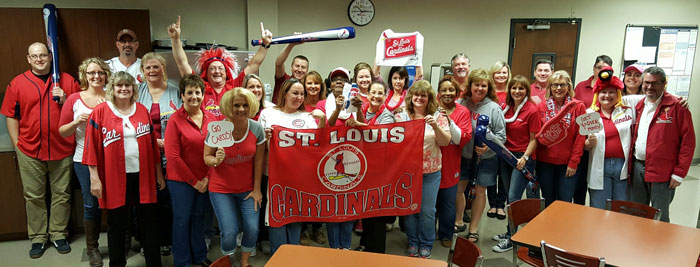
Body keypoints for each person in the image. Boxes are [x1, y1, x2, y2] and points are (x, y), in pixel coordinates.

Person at [1, 42, 79, 258]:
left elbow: (81, 111)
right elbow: (11, 116)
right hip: (29, 149)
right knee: (33, 196)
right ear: (28, 59)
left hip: (62, 148)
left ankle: (58, 234)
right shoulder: (17, 83)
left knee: (61, 195)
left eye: (43, 55)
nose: (39, 59)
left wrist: (65, 100)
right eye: (34, 56)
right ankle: (38, 238)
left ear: (50, 57)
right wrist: (18, 145)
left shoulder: (68, 81)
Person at [83, 71, 166, 267]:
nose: (123, 89)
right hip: (114, 178)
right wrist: (94, 178)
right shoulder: (101, 111)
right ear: (112, 89)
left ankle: (154, 264)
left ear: (133, 89)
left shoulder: (142, 110)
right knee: (117, 225)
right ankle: (117, 263)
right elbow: (91, 147)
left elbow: (152, 146)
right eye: (119, 86)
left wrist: (158, 172)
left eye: (127, 86)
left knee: (149, 224)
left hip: (143, 176)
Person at [258, 78, 326, 255]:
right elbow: (259, 147)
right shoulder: (268, 114)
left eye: (302, 94)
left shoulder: (308, 117)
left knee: (295, 216)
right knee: (276, 216)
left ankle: (293, 255)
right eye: (295, 93)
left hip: (299, 178)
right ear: (285, 94)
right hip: (273, 176)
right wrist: (267, 138)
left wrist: (323, 122)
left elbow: (318, 146)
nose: (299, 97)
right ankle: (278, 256)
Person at [203, 88, 265, 267]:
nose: (241, 109)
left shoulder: (256, 129)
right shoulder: (218, 129)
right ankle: (228, 261)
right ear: (228, 106)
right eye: (236, 105)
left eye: (245, 105)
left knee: (252, 227)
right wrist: (216, 160)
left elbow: (258, 162)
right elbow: (207, 158)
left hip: (247, 189)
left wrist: (257, 190)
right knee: (229, 231)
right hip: (221, 189)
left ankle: (245, 262)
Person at [168, 15, 272, 120]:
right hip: (205, 134)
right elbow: (182, 64)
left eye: (221, 68)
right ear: (206, 73)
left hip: (232, 134)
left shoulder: (235, 86)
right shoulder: (199, 88)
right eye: (212, 69)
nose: (217, 71)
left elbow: (253, 65)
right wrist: (175, 39)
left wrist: (265, 45)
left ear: (226, 73)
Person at [58, 58, 110, 266]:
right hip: (83, 159)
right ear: (84, 76)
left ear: (106, 75)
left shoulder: (113, 96)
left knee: (117, 202)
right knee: (91, 204)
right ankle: (93, 249)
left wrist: (105, 111)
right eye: (91, 73)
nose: (96, 76)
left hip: (112, 159)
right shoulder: (73, 99)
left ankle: (122, 242)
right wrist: (77, 121)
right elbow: (62, 132)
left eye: (100, 72)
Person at [629, 66, 695, 222]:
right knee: (638, 212)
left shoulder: (677, 106)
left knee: (660, 215)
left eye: (655, 83)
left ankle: (659, 245)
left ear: (664, 84)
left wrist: (679, 173)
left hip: (663, 171)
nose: (650, 87)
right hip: (638, 166)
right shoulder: (639, 105)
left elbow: (688, 142)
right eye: (646, 83)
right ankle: (639, 244)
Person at [395, 80, 451, 258]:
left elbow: (445, 142)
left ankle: (426, 242)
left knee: (427, 211)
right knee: (409, 209)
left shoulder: (438, 116)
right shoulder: (402, 116)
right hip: (407, 172)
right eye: (416, 95)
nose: (419, 98)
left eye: (423, 95)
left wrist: (434, 126)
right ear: (411, 97)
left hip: (430, 172)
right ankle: (413, 241)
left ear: (429, 98)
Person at [163, 74, 213, 267]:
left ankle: (199, 256)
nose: (194, 96)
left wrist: (207, 178)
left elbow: (215, 149)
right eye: (189, 92)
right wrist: (195, 182)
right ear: (182, 96)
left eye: (197, 92)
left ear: (203, 95)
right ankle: (182, 262)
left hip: (205, 178)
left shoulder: (211, 118)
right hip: (181, 181)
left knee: (199, 218)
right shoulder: (175, 120)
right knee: (182, 221)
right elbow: (173, 157)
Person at [137, 51, 181, 256]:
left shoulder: (174, 91)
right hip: (143, 157)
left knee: (168, 201)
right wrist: (153, 143)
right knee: (146, 203)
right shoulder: (136, 92)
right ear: (142, 71)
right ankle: (147, 241)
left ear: (163, 69)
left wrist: (169, 143)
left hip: (171, 157)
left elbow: (183, 121)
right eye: (148, 67)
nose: (152, 70)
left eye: (156, 67)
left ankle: (167, 240)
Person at [583, 67, 645, 210]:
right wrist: (587, 144)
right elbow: (582, 144)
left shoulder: (628, 109)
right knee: (599, 206)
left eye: (612, 92)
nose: (607, 95)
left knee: (621, 207)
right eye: (603, 92)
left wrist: (676, 99)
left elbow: (651, 96)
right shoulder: (589, 114)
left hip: (622, 166)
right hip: (600, 165)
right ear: (597, 94)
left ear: (618, 94)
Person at [455, 68, 506, 243]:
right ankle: (458, 221)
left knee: (479, 192)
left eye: (484, 85)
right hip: (462, 155)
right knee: (458, 189)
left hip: (485, 159)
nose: (480, 88)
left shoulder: (494, 108)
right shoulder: (460, 102)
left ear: (488, 87)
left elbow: (501, 136)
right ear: (470, 85)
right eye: (476, 84)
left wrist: (487, 147)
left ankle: (473, 229)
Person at [492, 75, 541, 253]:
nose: (517, 91)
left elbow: (535, 139)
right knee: (509, 198)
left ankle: (513, 238)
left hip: (523, 158)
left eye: (521, 88)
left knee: (514, 198)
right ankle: (509, 232)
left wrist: (525, 158)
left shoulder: (532, 110)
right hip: (506, 156)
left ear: (527, 91)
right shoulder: (505, 108)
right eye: (514, 88)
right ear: (509, 90)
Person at [347, 81, 395, 253]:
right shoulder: (363, 110)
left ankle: (377, 252)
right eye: (373, 92)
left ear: (385, 96)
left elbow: (381, 136)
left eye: (380, 93)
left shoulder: (387, 115)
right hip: (363, 167)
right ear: (367, 94)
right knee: (365, 209)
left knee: (377, 212)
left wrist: (360, 127)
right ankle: (366, 244)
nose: (376, 96)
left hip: (380, 170)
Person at [536, 70, 586, 207]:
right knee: (548, 200)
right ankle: (550, 228)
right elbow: (537, 135)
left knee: (565, 202)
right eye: (555, 85)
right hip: (545, 163)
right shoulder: (541, 106)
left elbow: (581, 137)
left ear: (568, 87)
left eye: (562, 85)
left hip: (568, 164)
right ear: (550, 87)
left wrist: (573, 162)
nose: (558, 88)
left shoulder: (578, 106)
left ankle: (563, 229)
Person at [435, 77, 472, 248]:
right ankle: (428, 232)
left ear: (457, 94)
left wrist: (448, 122)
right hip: (429, 161)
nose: (447, 93)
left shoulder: (462, 111)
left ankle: (445, 233)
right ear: (438, 93)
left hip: (451, 163)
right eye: (444, 90)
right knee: (429, 202)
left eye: (451, 90)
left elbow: (460, 139)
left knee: (448, 202)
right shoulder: (431, 108)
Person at [571, 55, 612, 206]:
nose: (602, 71)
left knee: (599, 184)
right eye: (599, 67)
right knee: (580, 182)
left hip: (603, 143)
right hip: (583, 141)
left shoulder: (613, 88)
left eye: (606, 68)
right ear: (594, 69)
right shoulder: (582, 86)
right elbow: (574, 110)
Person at [486, 61, 510, 220]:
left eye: (504, 73)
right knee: (490, 173)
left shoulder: (512, 92)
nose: (501, 75)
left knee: (503, 174)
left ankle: (500, 205)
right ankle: (492, 204)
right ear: (492, 74)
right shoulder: (488, 93)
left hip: (508, 140)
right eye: (498, 73)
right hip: (489, 139)